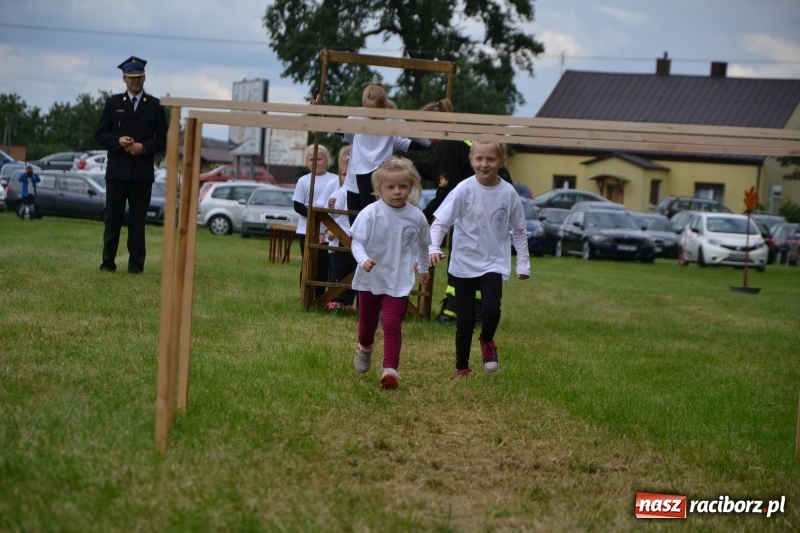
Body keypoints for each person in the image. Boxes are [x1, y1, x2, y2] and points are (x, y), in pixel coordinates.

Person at [428, 141, 530, 379]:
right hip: (464, 263)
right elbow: (441, 222)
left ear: (501, 162)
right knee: (464, 321)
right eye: (479, 159)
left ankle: (487, 340)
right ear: (472, 160)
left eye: (491, 159)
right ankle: (461, 367)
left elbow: (519, 230)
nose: (485, 164)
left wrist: (523, 263)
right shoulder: (463, 189)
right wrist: (433, 246)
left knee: (491, 311)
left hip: (493, 262)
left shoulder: (508, 193)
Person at [417, 98, 515, 325]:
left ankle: (454, 312)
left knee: (463, 256)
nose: (422, 138)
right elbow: (443, 173)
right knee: (476, 256)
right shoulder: (458, 140)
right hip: (495, 196)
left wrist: (423, 216)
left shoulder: (447, 146)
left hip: (486, 201)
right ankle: (475, 310)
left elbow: (445, 191)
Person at [350, 156, 432, 390]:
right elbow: (356, 243)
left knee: (393, 323)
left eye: (403, 186)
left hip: (399, 280)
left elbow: (423, 245)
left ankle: (390, 370)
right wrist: (364, 260)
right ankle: (365, 347)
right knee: (367, 325)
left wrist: (423, 268)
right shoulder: (370, 213)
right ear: (379, 189)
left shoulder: (416, 216)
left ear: (412, 187)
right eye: (391, 187)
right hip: (369, 279)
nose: (397, 192)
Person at [95, 55, 168, 273]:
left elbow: (163, 139)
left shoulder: (155, 105)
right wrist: (117, 141)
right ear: (124, 79)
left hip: (142, 174)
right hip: (117, 172)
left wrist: (144, 147)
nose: (135, 81)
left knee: (137, 223)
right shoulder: (113, 103)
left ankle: (136, 266)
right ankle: (108, 263)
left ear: (145, 78)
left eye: (139, 77)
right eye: (131, 78)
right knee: (112, 220)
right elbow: (100, 134)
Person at [340, 81, 431, 222]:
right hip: (355, 181)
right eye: (367, 108)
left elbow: (424, 143)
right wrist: (319, 115)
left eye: (374, 109)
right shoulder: (357, 118)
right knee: (356, 228)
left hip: (379, 176)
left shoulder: (392, 122)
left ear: (384, 106)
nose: (371, 114)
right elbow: (337, 130)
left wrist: (403, 129)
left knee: (375, 220)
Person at [293, 144, 337, 297]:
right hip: (305, 229)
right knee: (308, 262)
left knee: (324, 265)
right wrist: (316, 217)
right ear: (306, 162)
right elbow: (297, 205)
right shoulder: (303, 181)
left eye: (319, 159)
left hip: (328, 231)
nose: (315, 162)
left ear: (327, 161)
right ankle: (305, 295)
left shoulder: (335, 179)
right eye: (312, 159)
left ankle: (319, 296)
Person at [324, 146, 357, 310]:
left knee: (352, 268)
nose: (346, 178)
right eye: (344, 174)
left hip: (353, 238)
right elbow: (326, 214)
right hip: (337, 238)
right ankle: (334, 299)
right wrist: (329, 208)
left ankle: (348, 302)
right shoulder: (336, 190)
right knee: (338, 269)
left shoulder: (359, 193)